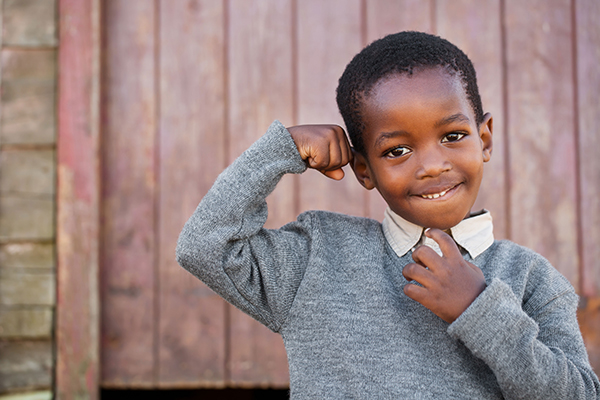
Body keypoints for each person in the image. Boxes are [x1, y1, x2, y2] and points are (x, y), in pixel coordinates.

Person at [176, 31, 599, 398]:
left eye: (453, 135)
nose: (432, 166)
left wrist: (479, 309)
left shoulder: (531, 279)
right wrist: (278, 151)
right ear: (364, 170)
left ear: (484, 139)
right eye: (397, 151)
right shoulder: (317, 257)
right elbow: (204, 247)